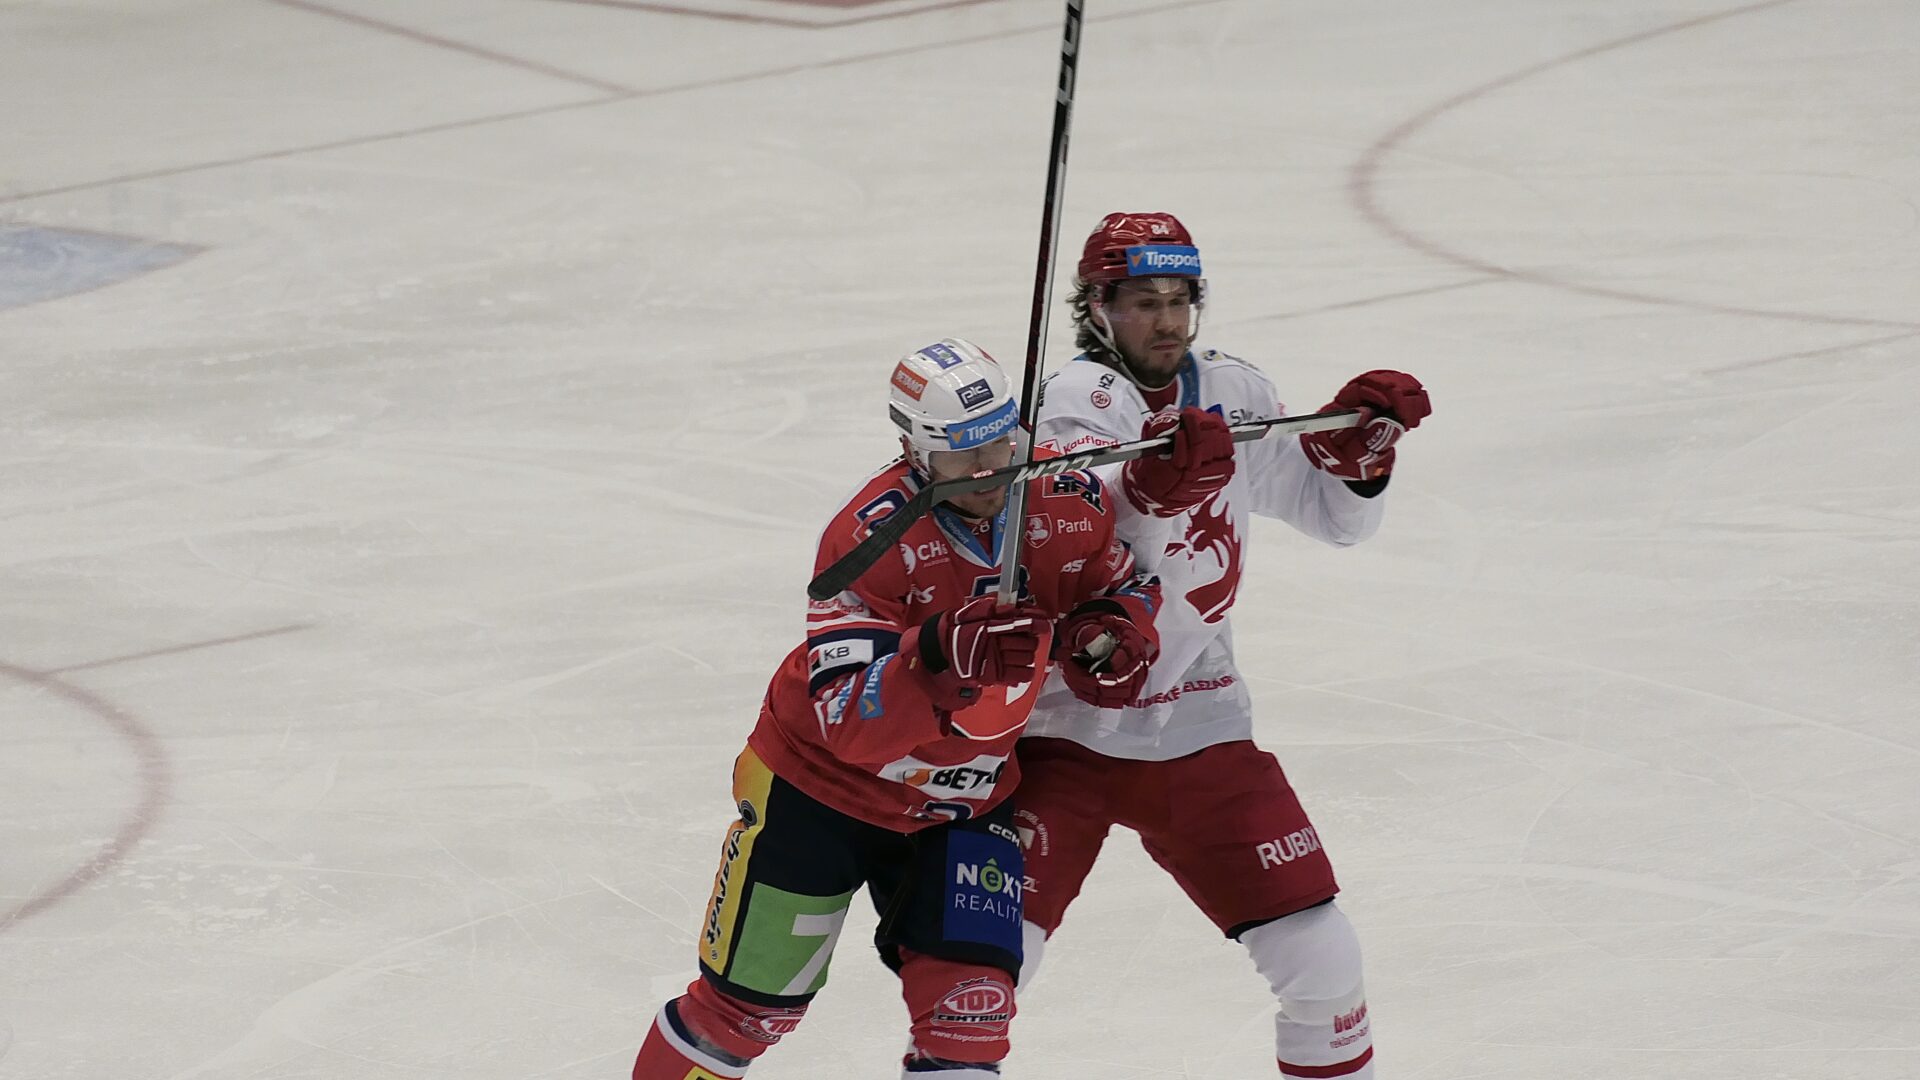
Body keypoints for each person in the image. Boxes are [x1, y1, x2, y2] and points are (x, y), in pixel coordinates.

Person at [633, 336, 1231, 1080]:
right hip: (820, 796)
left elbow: (1125, 585)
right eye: (961, 455)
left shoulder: (1063, 499)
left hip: (963, 806)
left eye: (999, 443)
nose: (988, 470)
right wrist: (938, 661)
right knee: (744, 1016)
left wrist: (1109, 634)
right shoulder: (868, 536)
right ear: (915, 451)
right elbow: (846, 718)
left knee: (970, 1022)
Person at [1015, 213, 1434, 1079]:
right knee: (983, 975)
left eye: (1180, 301)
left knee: (1324, 965)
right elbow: (1069, 523)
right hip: (1062, 728)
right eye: (1144, 302)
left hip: (1197, 720)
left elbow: (1334, 520)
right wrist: (1146, 485)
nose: (1167, 321)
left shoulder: (1233, 390)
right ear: (1097, 310)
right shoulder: (1070, 402)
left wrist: (1359, 462)